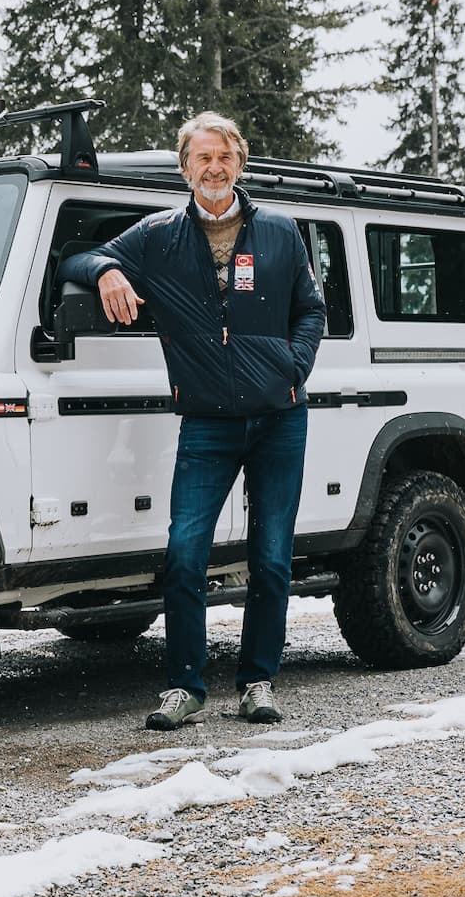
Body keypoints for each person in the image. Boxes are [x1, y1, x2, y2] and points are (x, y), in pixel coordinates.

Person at [60, 112, 326, 730]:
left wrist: (294, 366)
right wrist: (109, 272)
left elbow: (310, 310)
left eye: (224, 158)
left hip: (281, 418)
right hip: (207, 423)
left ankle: (258, 681)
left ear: (241, 162)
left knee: (271, 558)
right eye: (202, 159)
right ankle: (186, 687)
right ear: (185, 168)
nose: (214, 169)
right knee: (184, 555)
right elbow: (77, 259)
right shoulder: (158, 236)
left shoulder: (282, 233)